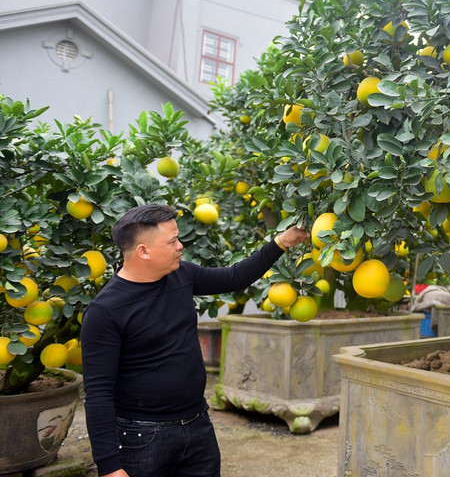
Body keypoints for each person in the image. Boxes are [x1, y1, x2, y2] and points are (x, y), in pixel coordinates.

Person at [81, 204, 309, 477]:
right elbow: (97, 394)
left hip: (198, 425)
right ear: (143, 251)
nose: (181, 246)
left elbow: (235, 276)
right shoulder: (105, 311)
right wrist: (109, 466)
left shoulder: (181, 275)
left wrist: (282, 242)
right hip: (142, 437)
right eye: (172, 240)